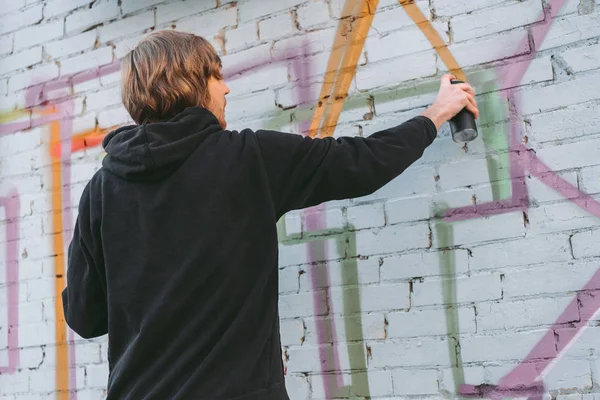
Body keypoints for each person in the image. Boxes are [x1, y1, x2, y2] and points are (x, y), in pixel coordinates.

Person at [62, 30, 478, 399]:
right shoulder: (247, 159)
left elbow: (85, 316)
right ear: (190, 85)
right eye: (216, 76)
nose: (226, 89)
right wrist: (436, 113)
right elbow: (362, 163)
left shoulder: (101, 190)